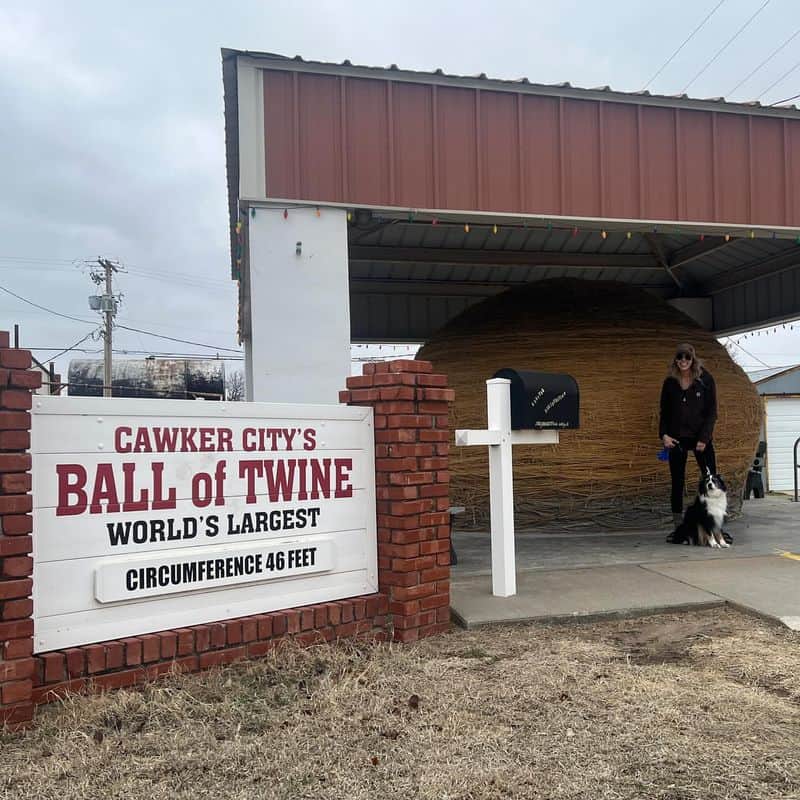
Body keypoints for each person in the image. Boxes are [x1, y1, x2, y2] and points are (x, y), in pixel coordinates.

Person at [659, 343, 718, 528]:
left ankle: (714, 522)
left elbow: (712, 412)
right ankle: (678, 525)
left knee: (710, 479)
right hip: (677, 437)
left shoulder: (705, 379)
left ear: (693, 359)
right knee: (677, 481)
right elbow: (664, 412)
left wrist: (704, 438)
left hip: (700, 436)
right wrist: (664, 435)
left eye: (687, 357)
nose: (683, 361)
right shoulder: (670, 382)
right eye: (679, 357)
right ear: (675, 360)